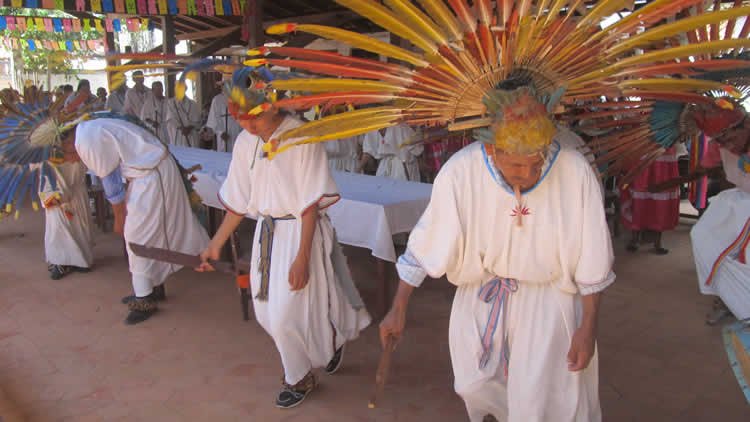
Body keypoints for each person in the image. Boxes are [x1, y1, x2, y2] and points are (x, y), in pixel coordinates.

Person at [379, 82, 614, 422]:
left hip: (549, 304)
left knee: (539, 403)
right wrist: (398, 308)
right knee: (472, 386)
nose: (530, 175)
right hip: (481, 296)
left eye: (537, 163)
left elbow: (593, 255)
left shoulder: (574, 170)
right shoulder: (462, 170)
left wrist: (588, 326)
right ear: (492, 151)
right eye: (517, 167)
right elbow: (428, 241)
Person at [197, 87, 370, 409]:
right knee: (266, 311)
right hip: (267, 233)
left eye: (255, 118)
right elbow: (238, 201)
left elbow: (309, 205)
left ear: (271, 109)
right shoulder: (246, 141)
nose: (249, 127)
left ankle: (299, 376)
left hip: (301, 232)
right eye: (242, 120)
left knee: (286, 314)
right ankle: (332, 338)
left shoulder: (302, 137)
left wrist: (302, 258)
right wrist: (216, 243)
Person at [64, 115, 209, 325]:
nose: (71, 161)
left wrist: (119, 218)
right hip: (148, 174)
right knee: (150, 233)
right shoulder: (88, 130)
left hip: (152, 175)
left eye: (66, 157)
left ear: (68, 144)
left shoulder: (85, 139)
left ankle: (144, 299)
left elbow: (111, 181)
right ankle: (151, 286)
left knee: (136, 236)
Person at [690, 103, 750, 325]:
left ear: (745, 126)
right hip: (738, 200)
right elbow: (703, 168)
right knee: (703, 237)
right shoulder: (721, 144)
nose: (725, 145)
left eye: (728, 138)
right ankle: (726, 300)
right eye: (719, 141)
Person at [36, 154, 94, 280]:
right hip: (56, 197)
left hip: (75, 195)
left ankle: (81, 261)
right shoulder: (48, 155)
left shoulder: (76, 149)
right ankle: (62, 262)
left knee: (79, 228)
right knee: (59, 230)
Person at [619, 147, 680, 254]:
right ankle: (635, 238)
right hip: (643, 151)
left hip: (663, 156)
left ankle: (657, 242)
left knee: (661, 200)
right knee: (639, 197)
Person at [360, 124, 424, 181]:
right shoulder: (372, 129)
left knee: (404, 190)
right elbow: (367, 151)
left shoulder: (401, 127)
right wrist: (359, 169)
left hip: (404, 164)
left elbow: (417, 149)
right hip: (385, 165)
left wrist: (421, 162)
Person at [205, 76, 243, 152]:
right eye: (226, 85)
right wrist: (220, 132)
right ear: (222, 86)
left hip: (237, 133)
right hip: (224, 136)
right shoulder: (217, 100)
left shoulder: (240, 99)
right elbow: (213, 119)